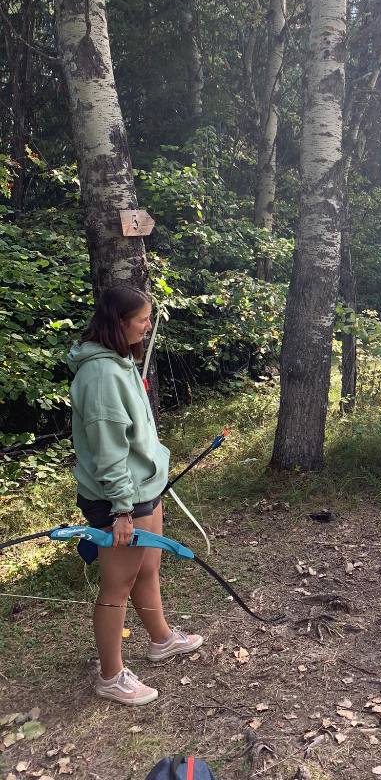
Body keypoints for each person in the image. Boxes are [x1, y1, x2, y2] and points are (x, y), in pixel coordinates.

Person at [68, 284, 203, 704]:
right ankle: (110, 676)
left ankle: (161, 639)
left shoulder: (120, 359)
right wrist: (122, 510)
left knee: (147, 569)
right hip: (118, 499)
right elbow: (108, 451)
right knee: (117, 586)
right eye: (142, 319)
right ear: (119, 322)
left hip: (142, 487)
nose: (148, 326)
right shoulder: (100, 375)